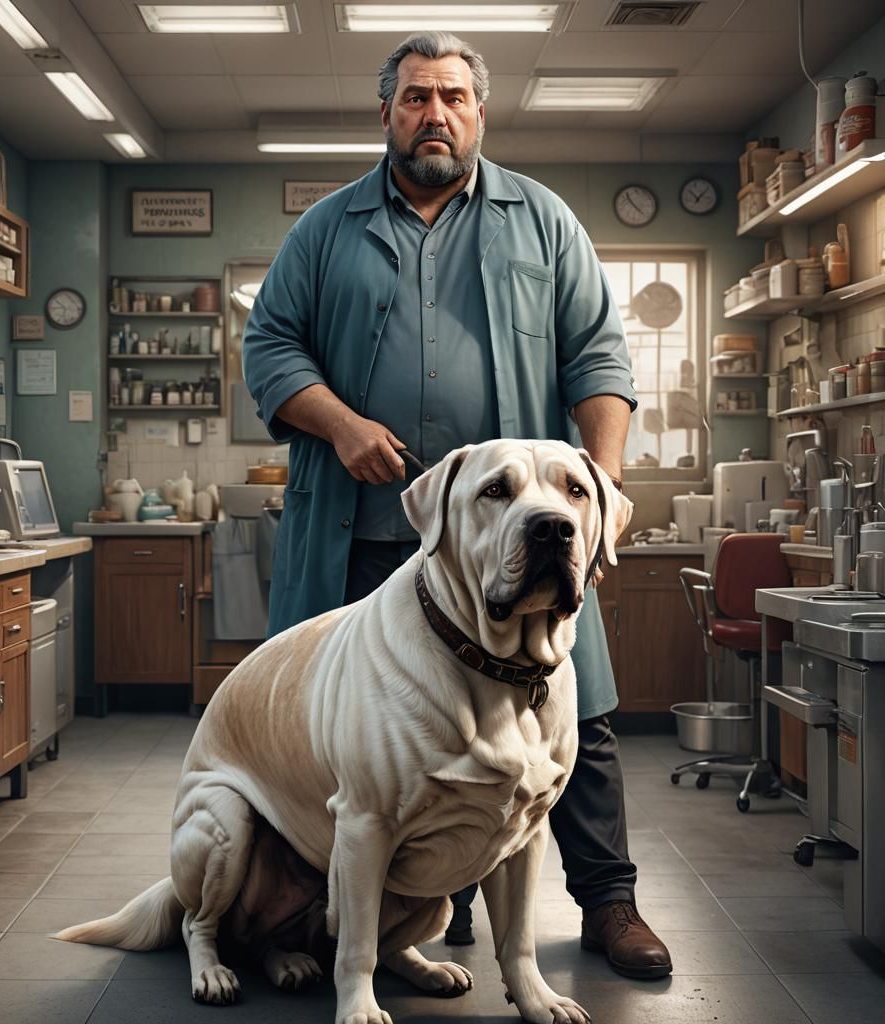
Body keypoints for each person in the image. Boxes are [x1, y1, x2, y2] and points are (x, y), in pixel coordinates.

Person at [242, 30, 672, 981]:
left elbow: (599, 358)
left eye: (452, 96)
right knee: (368, 731)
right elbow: (269, 349)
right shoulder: (327, 229)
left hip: (520, 529)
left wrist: (596, 497)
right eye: (415, 97)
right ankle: (393, 908)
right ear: (386, 113)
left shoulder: (543, 221)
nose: (434, 113)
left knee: (576, 714)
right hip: (364, 533)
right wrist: (341, 425)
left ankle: (610, 902)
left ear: (480, 111)